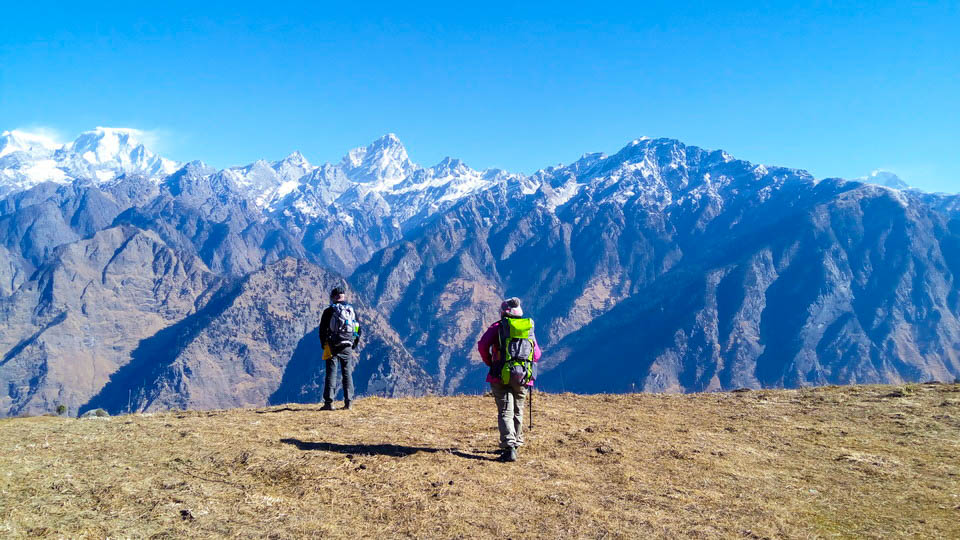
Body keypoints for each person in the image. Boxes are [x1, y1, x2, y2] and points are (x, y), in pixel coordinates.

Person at [477, 297, 541, 462]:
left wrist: (491, 362)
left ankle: (509, 446)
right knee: (518, 409)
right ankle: (517, 443)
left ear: (503, 313)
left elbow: (482, 345)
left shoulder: (498, 328)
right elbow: (537, 354)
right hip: (523, 376)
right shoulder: (528, 328)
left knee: (505, 410)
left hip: (500, 374)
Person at [319, 286, 361, 410]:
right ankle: (349, 402)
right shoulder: (351, 310)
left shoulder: (329, 311)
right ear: (343, 296)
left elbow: (322, 330)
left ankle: (329, 403)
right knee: (347, 373)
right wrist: (353, 343)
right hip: (347, 344)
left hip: (332, 345)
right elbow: (358, 328)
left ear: (333, 297)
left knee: (331, 373)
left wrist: (324, 343)